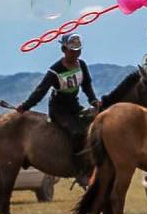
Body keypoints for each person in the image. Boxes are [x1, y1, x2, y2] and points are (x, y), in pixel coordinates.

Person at [18, 32, 98, 175]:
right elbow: (40, 91)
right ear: (64, 50)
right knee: (76, 132)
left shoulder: (82, 65)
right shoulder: (55, 71)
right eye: (72, 51)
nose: (76, 54)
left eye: (78, 51)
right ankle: (79, 168)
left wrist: (93, 101)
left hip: (74, 106)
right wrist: (25, 106)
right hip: (59, 110)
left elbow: (87, 85)